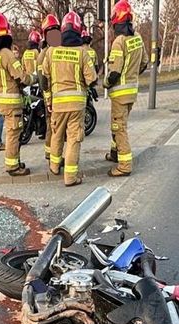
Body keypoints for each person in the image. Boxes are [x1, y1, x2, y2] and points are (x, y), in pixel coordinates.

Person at [44, 11, 96, 186]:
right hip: (76, 104)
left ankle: (54, 166)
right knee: (73, 139)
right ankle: (70, 177)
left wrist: (48, 98)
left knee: (57, 134)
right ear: (77, 29)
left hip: (57, 104)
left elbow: (44, 77)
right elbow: (92, 78)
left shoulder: (51, 50)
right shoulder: (82, 52)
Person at [105, 0, 147, 177]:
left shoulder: (118, 42)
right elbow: (144, 63)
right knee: (120, 124)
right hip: (132, 92)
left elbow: (114, 72)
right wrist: (132, 75)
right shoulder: (137, 38)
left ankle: (124, 165)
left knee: (119, 128)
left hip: (120, 94)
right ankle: (115, 154)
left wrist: (105, 84)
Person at [0, 13, 30, 176]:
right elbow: (20, 76)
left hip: (1, 100)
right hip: (12, 101)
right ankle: (13, 166)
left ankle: (15, 161)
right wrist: (33, 78)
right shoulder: (7, 54)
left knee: (11, 131)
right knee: (13, 133)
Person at [38, 13, 62, 161]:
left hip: (56, 97)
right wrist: (48, 101)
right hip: (51, 98)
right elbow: (43, 82)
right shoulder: (44, 55)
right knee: (52, 128)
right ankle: (52, 155)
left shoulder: (52, 51)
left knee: (54, 128)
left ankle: (52, 154)